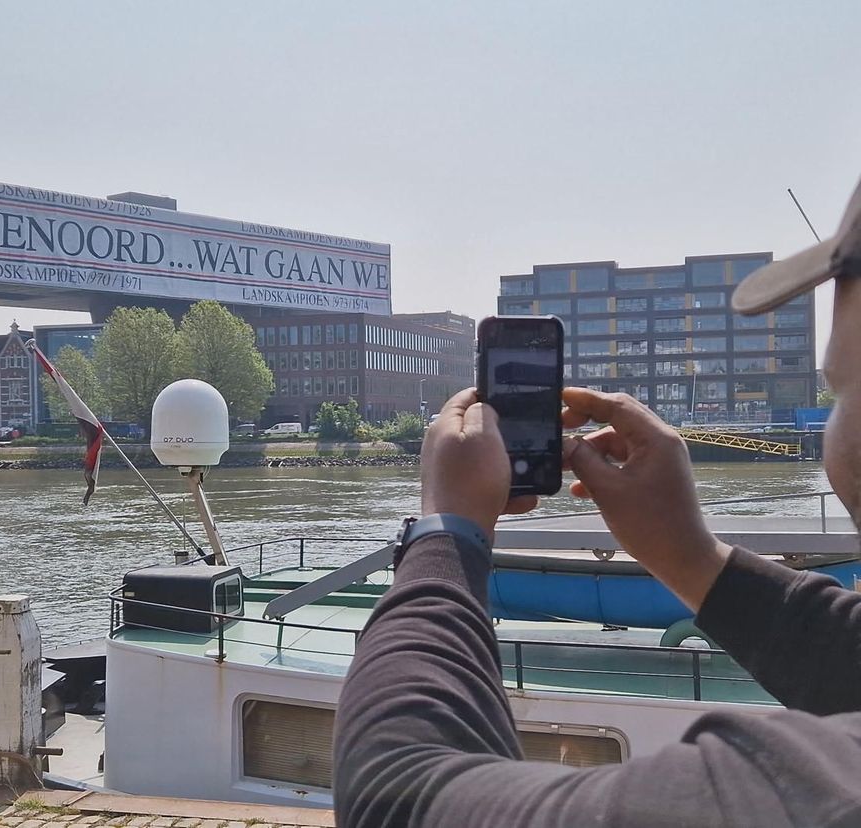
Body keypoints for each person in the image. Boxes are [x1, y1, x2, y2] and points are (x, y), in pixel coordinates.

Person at [334, 176, 861, 827]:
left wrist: (448, 526)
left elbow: (397, 789)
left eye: (839, 391)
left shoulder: (803, 797)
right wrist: (688, 555)